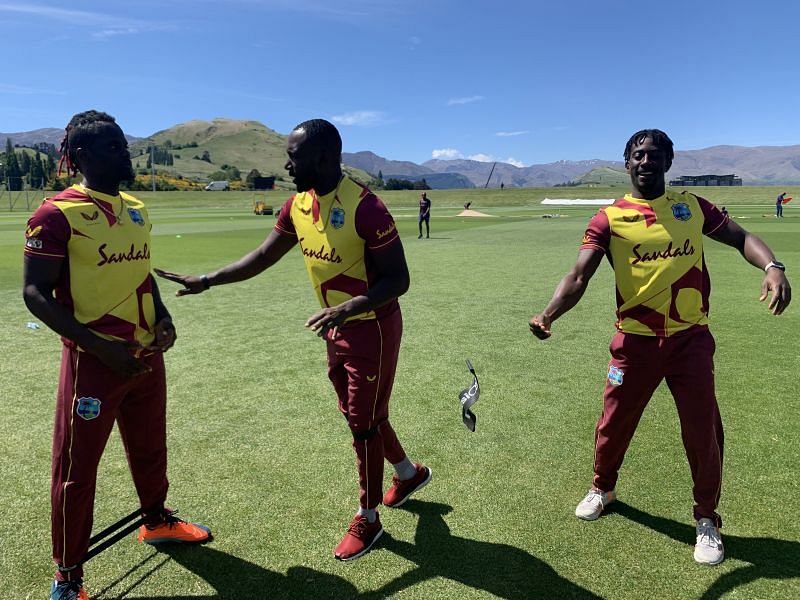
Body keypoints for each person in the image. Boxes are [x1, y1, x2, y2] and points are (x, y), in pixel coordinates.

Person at [155, 118, 431, 562]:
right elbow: (263, 256)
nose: (287, 165)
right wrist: (207, 280)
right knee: (360, 414)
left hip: (372, 327)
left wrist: (348, 307)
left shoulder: (367, 208)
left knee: (363, 421)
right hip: (335, 328)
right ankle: (406, 473)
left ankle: (369, 517)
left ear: (323, 157)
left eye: (294, 156)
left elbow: (399, 279)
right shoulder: (297, 205)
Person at [528, 129, 791, 566]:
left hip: (690, 342)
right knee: (613, 423)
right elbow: (578, 276)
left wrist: (773, 265)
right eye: (637, 155)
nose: (644, 161)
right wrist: (549, 314)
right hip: (634, 343)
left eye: (653, 155)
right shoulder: (608, 218)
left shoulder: (692, 209)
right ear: (627, 163)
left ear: (668, 161)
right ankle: (602, 487)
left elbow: (741, 237)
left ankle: (706, 518)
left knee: (702, 430)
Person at [23, 111, 211, 600]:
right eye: (113, 148)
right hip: (94, 362)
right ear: (83, 155)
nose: (125, 154)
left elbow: (141, 274)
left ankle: (155, 520)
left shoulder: (135, 207)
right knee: (75, 470)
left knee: (150, 446)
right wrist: (99, 346)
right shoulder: (53, 214)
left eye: (124, 145)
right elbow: (34, 294)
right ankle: (68, 575)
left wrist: (164, 316)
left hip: (146, 353)